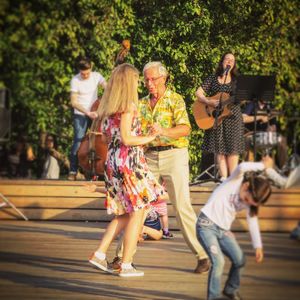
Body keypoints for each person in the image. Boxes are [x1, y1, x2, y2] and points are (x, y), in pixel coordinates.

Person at [87, 63, 166, 277]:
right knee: (138, 213)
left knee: (123, 213)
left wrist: (141, 134)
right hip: (130, 164)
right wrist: (151, 136)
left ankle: (100, 254)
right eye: (136, 79)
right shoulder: (129, 105)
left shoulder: (107, 107)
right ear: (128, 82)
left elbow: (106, 138)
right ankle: (127, 264)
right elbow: (127, 138)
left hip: (112, 163)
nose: (139, 82)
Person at [137, 61, 209, 273]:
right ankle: (123, 257)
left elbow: (186, 129)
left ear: (164, 78)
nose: (149, 83)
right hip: (149, 156)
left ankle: (203, 255)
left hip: (174, 155)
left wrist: (163, 131)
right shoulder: (141, 103)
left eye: (153, 79)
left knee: (182, 207)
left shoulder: (175, 99)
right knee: (138, 207)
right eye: (146, 79)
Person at [196, 157, 273, 300]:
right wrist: (262, 165)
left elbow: (253, 222)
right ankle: (213, 297)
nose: (247, 203)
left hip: (223, 230)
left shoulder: (250, 202)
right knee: (218, 261)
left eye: (251, 203)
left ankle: (231, 289)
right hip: (206, 225)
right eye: (247, 199)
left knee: (240, 259)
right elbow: (242, 166)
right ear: (245, 187)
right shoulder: (235, 181)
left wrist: (258, 246)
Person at [195, 53, 245, 181]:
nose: (229, 61)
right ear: (222, 61)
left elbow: (241, 99)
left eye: (232, 60)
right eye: (227, 59)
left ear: (234, 64)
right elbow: (198, 92)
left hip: (233, 117)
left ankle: (233, 179)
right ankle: (223, 178)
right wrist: (208, 102)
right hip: (216, 117)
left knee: (233, 148)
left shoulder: (237, 80)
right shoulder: (213, 78)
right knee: (219, 148)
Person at [68, 57, 107, 180]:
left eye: (87, 73)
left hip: (95, 113)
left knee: (102, 138)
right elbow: (73, 102)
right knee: (78, 140)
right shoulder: (75, 80)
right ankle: (73, 171)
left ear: (91, 68)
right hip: (80, 114)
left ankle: (102, 169)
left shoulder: (96, 76)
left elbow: (108, 88)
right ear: (79, 71)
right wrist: (88, 112)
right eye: (82, 73)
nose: (85, 75)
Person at [242, 100, 288, 169]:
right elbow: (243, 118)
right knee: (248, 141)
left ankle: (284, 168)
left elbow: (273, 125)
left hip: (265, 134)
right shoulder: (252, 104)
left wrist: (271, 129)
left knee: (282, 140)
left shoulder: (271, 106)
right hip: (251, 133)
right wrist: (259, 117)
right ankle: (249, 172)